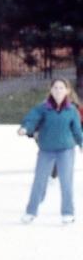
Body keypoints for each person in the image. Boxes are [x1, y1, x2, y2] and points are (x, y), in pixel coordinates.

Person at [17, 77, 82, 224]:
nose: (58, 91)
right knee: (39, 181)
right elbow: (32, 118)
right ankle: (31, 211)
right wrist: (25, 127)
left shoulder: (72, 111)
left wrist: (81, 143)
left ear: (67, 91)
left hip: (66, 150)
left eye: (61, 88)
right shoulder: (43, 108)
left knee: (66, 182)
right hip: (46, 150)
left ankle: (68, 213)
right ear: (51, 90)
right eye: (55, 88)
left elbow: (77, 130)